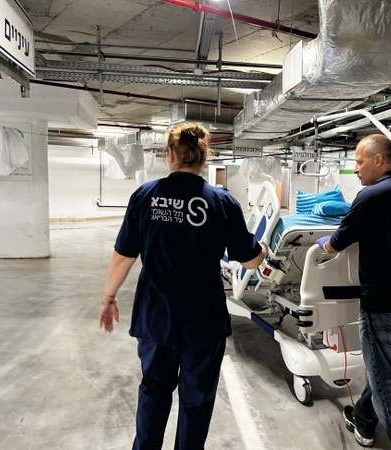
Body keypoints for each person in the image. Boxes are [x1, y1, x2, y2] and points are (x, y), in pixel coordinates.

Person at [98, 122, 266, 450]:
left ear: (170, 154)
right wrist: (261, 249)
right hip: (203, 321)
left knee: (154, 390)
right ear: (204, 157)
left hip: (156, 317)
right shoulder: (222, 201)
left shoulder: (145, 196)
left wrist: (108, 298)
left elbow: (124, 255)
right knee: (197, 399)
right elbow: (249, 262)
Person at [316, 134, 391, 450]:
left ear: (378, 159)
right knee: (388, 372)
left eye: (359, 162)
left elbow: (337, 242)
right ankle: (364, 419)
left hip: (385, 307)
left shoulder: (371, 197)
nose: (355, 169)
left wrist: (321, 245)